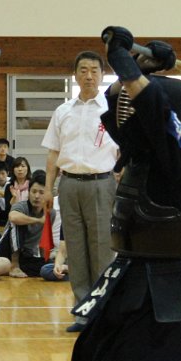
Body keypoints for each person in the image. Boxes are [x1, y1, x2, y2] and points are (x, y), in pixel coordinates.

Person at [47, 26, 181, 361]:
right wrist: (143, 62)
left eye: (137, 102)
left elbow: (152, 107)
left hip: (173, 277)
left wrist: (124, 60)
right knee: (96, 348)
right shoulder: (140, 149)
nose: (126, 110)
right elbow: (123, 107)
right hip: (135, 267)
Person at [41, 50, 119, 333]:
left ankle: (103, 313)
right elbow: (53, 153)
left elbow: (125, 150)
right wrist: (48, 189)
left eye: (94, 71)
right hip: (69, 185)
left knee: (101, 249)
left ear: (102, 75)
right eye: (83, 70)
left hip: (101, 183)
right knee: (75, 248)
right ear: (75, 75)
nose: (89, 76)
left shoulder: (111, 109)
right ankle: (83, 312)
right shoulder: (63, 111)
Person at [3, 174, 55, 278]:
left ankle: (11, 268)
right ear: (28, 192)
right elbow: (13, 217)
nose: (37, 196)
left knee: (49, 268)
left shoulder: (50, 213)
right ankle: (14, 266)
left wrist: (44, 260)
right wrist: (39, 220)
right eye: (33, 191)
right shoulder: (21, 206)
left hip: (27, 255)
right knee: (18, 222)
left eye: (41, 193)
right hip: (7, 251)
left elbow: (43, 237)